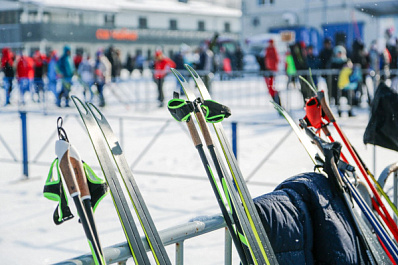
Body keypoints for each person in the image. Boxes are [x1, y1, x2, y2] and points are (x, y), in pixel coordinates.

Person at [264, 39, 280, 105]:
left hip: (272, 70)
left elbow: (276, 59)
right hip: (269, 69)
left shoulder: (272, 49)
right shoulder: (268, 49)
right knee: (271, 86)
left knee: (272, 86)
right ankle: (275, 98)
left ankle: (276, 99)